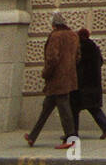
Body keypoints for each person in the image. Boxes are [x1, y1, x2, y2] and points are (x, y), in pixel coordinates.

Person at [24, 11, 80, 149]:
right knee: (47, 108)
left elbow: (52, 58)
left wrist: (46, 73)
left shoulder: (55, 36)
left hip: (57, 79)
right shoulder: (73, 36)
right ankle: (32, 136)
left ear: (53, 24)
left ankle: (70, 138)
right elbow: (78, 57)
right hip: (68, 78)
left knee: (64, 109)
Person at [70, 28, 106, 140]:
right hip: (94, 84)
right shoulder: (95, 47)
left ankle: (73, 133)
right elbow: (101, 62)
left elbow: (77, 65)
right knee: (94, 108)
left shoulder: (81, 48)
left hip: (82, 85)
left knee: (74, 109)